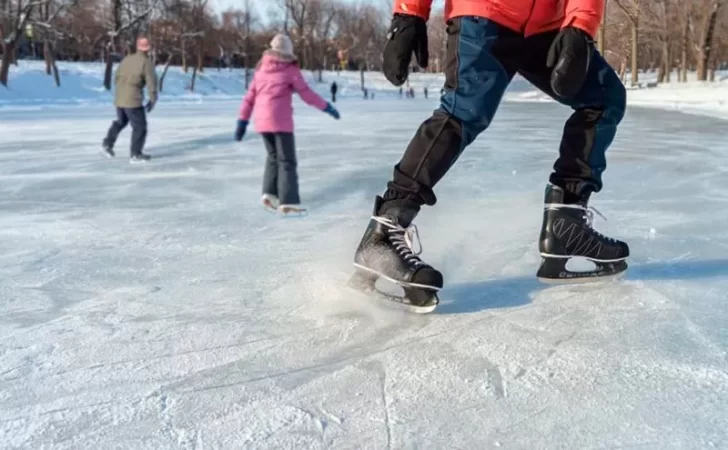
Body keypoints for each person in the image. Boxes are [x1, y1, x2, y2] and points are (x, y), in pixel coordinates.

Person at [349, 0, 629, 312]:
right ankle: (384, 233)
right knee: (464, 112)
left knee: (605, 99)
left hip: (549, 24)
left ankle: (566, 223)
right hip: (485, 13)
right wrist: (410, 13)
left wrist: (580, 25)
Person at [234, 34, 340, 216]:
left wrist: (242, 121)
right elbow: (307, 94)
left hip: (262, 122)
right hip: (280, 122)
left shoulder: (261, 70)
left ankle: (269, 194)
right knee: (287, 161)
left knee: (273, 156)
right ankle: (288, 202)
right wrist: (327, 107)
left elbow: (249, 98)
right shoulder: (289, 69)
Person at [102, 37, 157, 163]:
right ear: (148, 48)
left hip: (119, 96)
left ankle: (107, 143)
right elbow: (151, 82)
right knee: (140, 127)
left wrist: (121, 90)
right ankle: (135, 153)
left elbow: (116, 77)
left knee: (121, 121)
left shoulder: (127, 59)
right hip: (133, 99)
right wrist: (153, 99)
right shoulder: (146, 62)